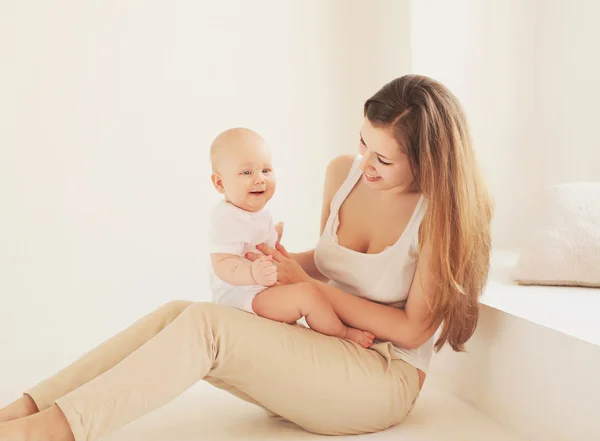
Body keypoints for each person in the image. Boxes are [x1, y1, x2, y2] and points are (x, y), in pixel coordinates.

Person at [0, 74, 492, 441]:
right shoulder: (344, 174)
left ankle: (48, 433)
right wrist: (276, 261)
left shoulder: (439, 215)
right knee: (182, 313)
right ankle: (28, 409)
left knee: (206, 329)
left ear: (429, 161)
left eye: (383, 160)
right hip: (322, 343)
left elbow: (412, 330)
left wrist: (306, 286)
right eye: (363, 142)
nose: (365, 163)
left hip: (381, 376)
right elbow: (328, 262)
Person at [208, 127, 375, 348]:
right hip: (243, 298)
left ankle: (333, 323)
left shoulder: (254, 210)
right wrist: (251, 272)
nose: (260, 179)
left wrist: (272, 236)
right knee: (308, 295)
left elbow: (252, 241)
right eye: (247, 173)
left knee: (310, 291)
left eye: (266, 170)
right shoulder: (226, 219)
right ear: (220, 183)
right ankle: (343, 333)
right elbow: (222, 264)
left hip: (262, 288)